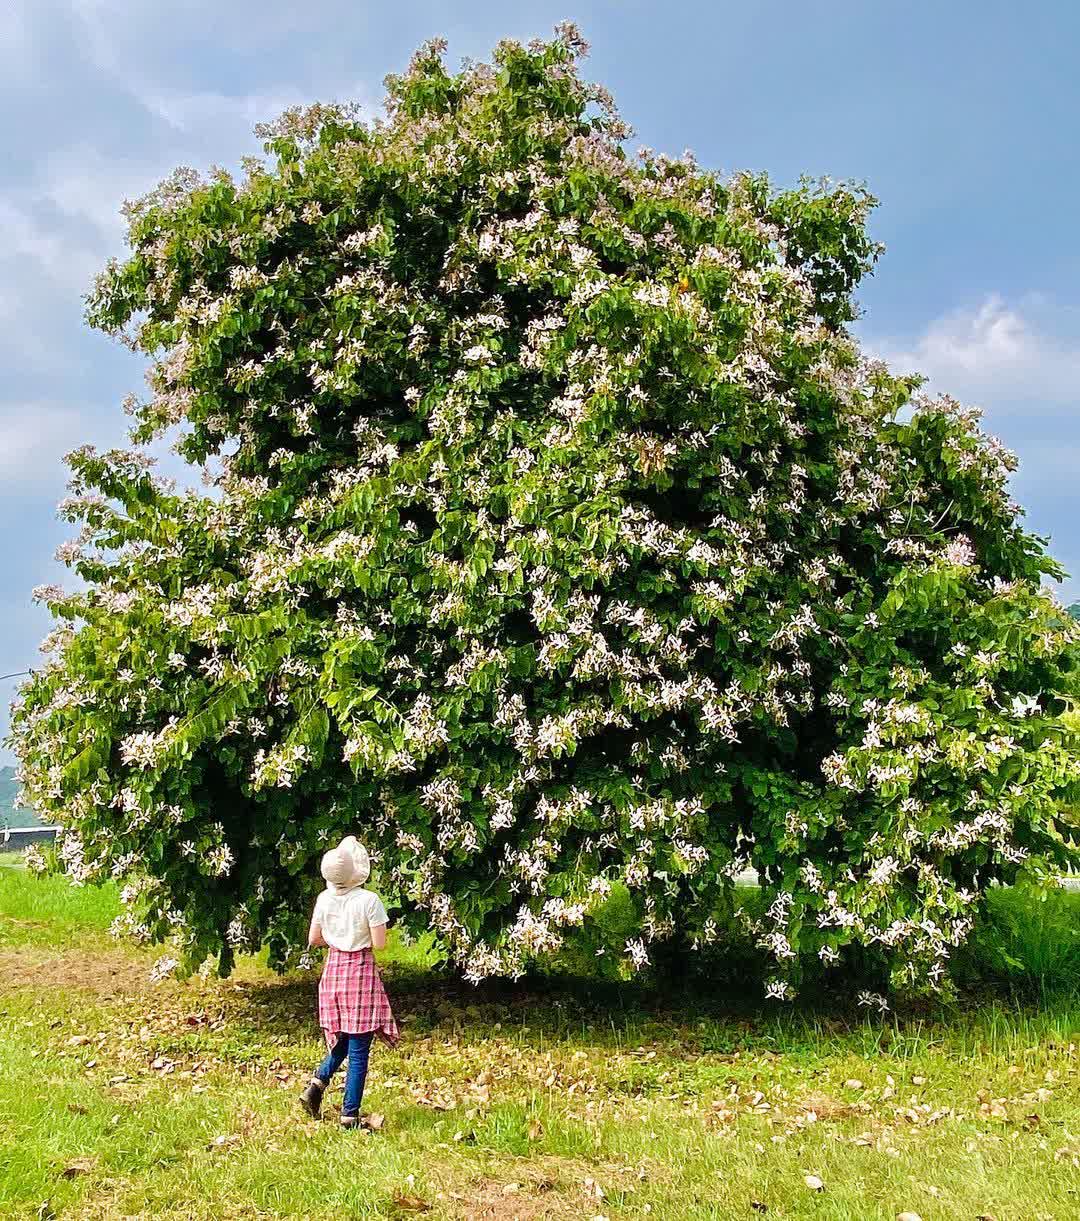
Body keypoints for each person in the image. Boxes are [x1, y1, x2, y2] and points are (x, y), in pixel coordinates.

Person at [298, 835, 399, 1128]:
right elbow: (379, 943)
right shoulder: (369, 901)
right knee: (359, 1049)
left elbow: (314, 938)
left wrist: (338, 936)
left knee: (345, 1036)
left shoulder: (324, 898)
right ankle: (349, 1114)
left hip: (333, 971)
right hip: (360, 973)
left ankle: (316, 1085)